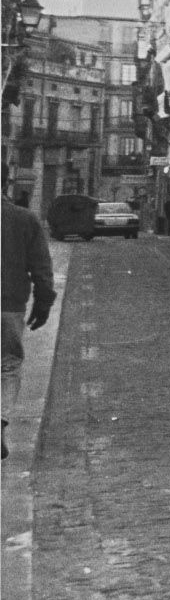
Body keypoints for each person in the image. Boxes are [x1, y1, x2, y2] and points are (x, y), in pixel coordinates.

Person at [2, 193, 57, 461]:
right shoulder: (24, 219)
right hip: (9, 304)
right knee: (8, 364)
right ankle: (0, 419)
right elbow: (40, 263)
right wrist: (43, 300)